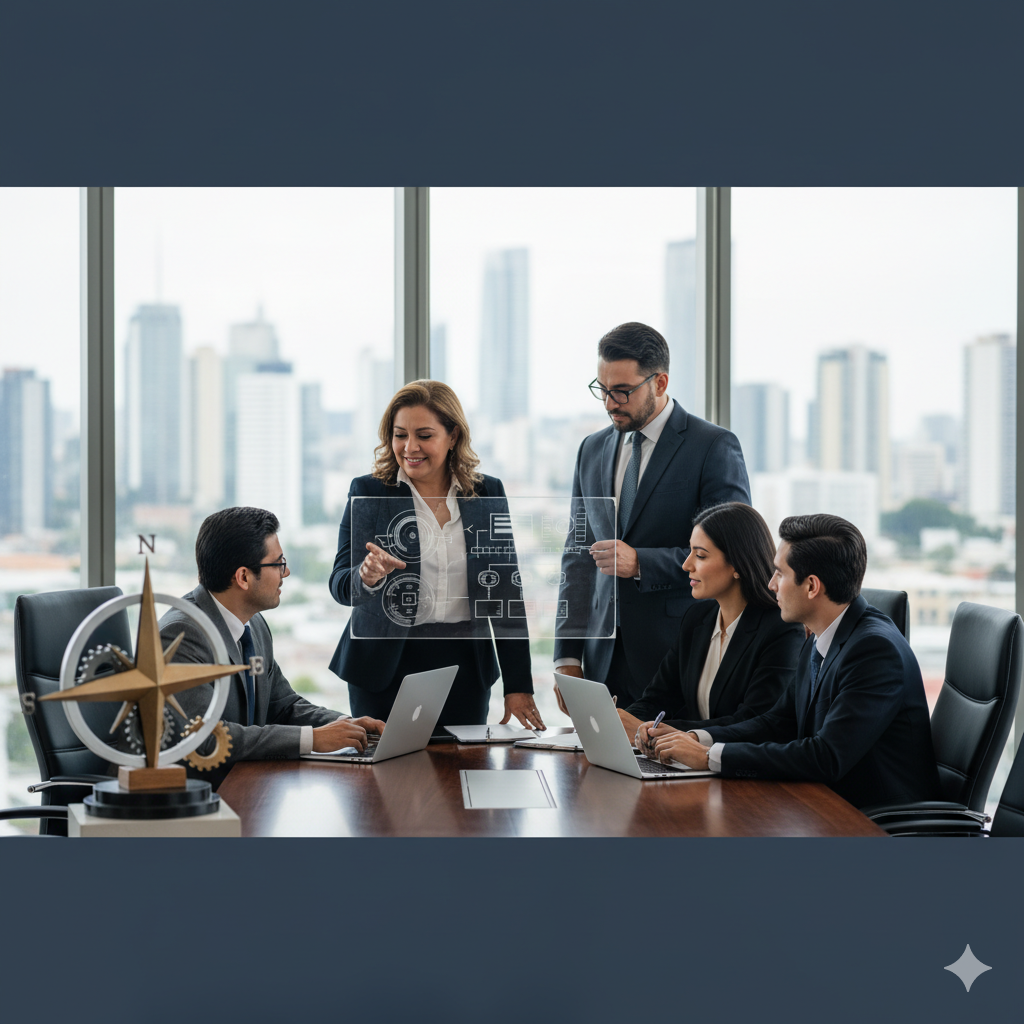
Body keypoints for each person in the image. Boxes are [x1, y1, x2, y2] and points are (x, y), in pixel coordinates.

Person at [646, 513, 942, 810]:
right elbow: (777, 722)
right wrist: (697, 738)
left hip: (875, 821)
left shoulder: (874, 651)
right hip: (822, 805)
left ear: (812, 587)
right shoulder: (820, 633)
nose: (771, 584)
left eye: (780, 574)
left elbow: (826, 756)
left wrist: (709, 758)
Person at [554, 321, 751, 711]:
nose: (610, 403)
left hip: (678, 653)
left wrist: (641, 562)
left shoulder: (712, 446)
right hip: (600, 661)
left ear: (659, 383)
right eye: (603, 390)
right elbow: (577, 558)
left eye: (622, 391)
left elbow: (733, 551)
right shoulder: (590, 450)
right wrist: (567, 657)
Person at [328, 380, 543, 730]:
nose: (410, 447)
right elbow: (339, 584)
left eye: (424, 435)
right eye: (400, 435)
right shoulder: (368, 491)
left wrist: (517, 685)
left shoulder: (488, 492)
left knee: (458, 777)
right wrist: (365, 576)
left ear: (453, 436)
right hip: (385, 666)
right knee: (385, 781)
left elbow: (505, 594)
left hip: (464, 667)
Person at [158, 506, 386, 789]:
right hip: (190, 799)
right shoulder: (181, 635)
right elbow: (206, 738)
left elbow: (283, 706)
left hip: (244, 786)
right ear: (243, 577)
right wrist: (313, 739)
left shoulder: (254, 625)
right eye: (278, 564)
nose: (286, 572)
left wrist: (347, 725)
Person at [617, 502, 804, 750]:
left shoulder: (781, 629)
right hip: (690, 764)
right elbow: (657, 698)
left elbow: (755, 722)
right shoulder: (698, 619)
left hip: (741, 769)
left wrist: (677, 734)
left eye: (700, 555)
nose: (686, 565)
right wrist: (623, 721)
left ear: (737, 565)